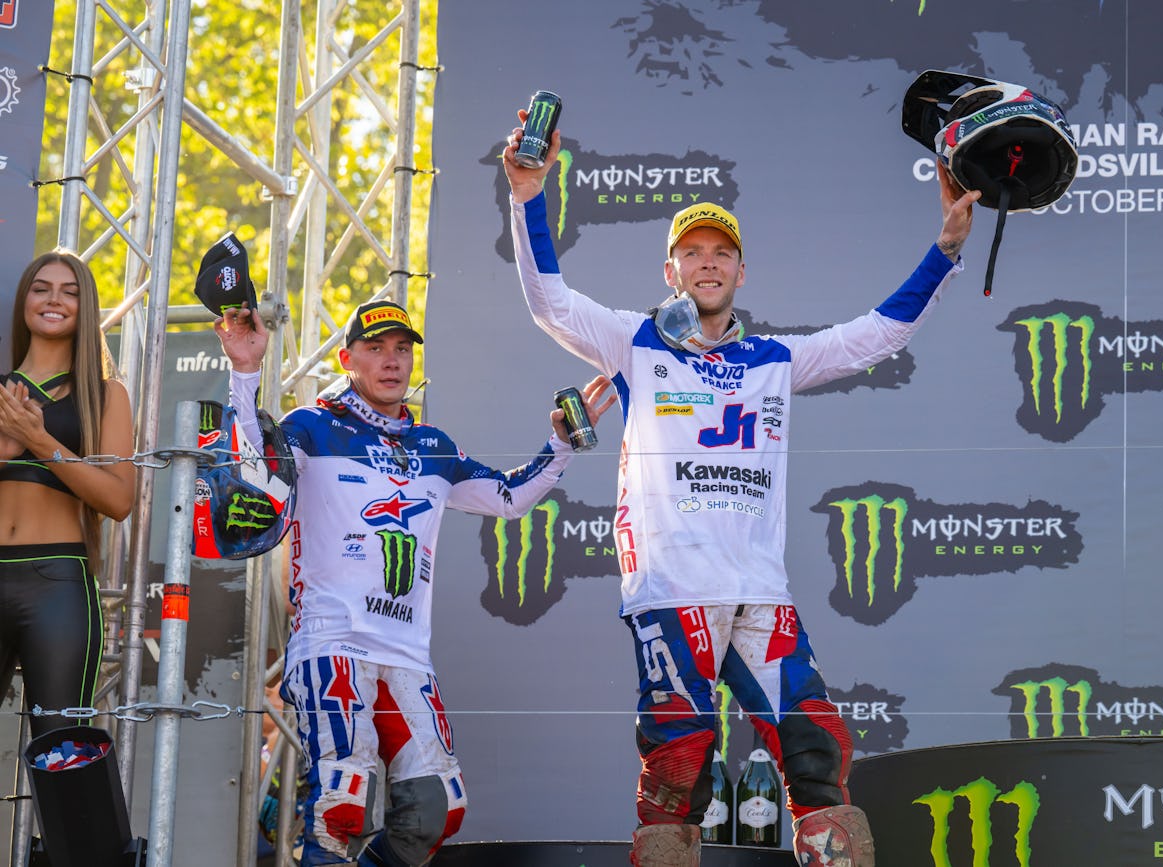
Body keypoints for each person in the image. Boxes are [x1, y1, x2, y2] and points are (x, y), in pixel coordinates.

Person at [502, 115, 979, 867]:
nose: (708, 263)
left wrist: (946, 249)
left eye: (722, 252)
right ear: (670, 271)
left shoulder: (774, 358)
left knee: (818, 747)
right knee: (680, 766)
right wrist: (528, 195)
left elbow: (878, 334)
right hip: (673, 590)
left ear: (741, 272)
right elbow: (550, 304)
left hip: (760, 593)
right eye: (692, 252)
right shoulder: (635, 342)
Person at [214, 298, 614, 867]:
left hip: (406, 655)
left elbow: (509, 497)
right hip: (332, 643)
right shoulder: (312, 426)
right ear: (348, 358)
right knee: (342, 807)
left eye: (402, 349)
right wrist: (245, 370)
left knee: (435, 811)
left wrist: (562, 444)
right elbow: (254, 471)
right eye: (375, 348)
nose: (391, 361)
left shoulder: (434, 446)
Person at [0, 250, 136, 739]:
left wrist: (39, 442)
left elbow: (119, 501)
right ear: (24, 301)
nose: (54, 300)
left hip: (58, 582)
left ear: (86, 308)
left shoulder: (106, 394)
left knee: (63, 750)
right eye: (41, 289)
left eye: (69, 292)